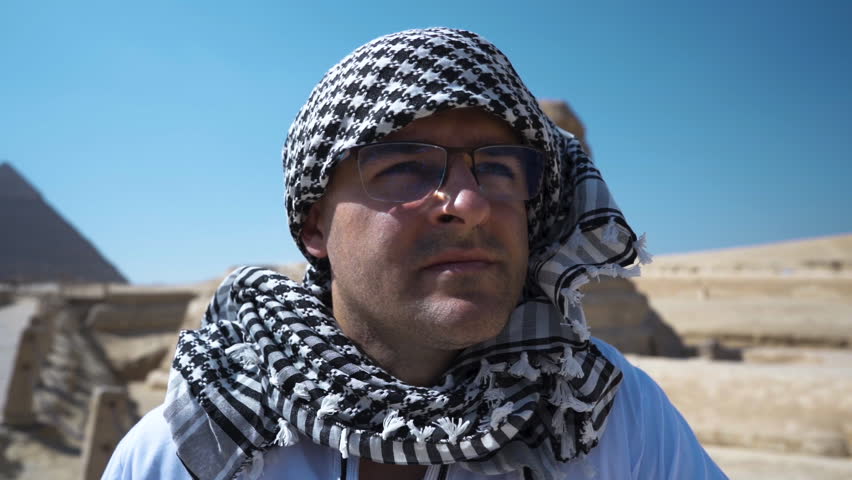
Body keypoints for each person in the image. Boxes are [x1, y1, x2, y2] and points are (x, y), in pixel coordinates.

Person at [103, 28, 727, 479]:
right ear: (314, 224)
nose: (470, 203)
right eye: (403, 166)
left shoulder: (613, 417)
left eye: (500, 168)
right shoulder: (186, 452)